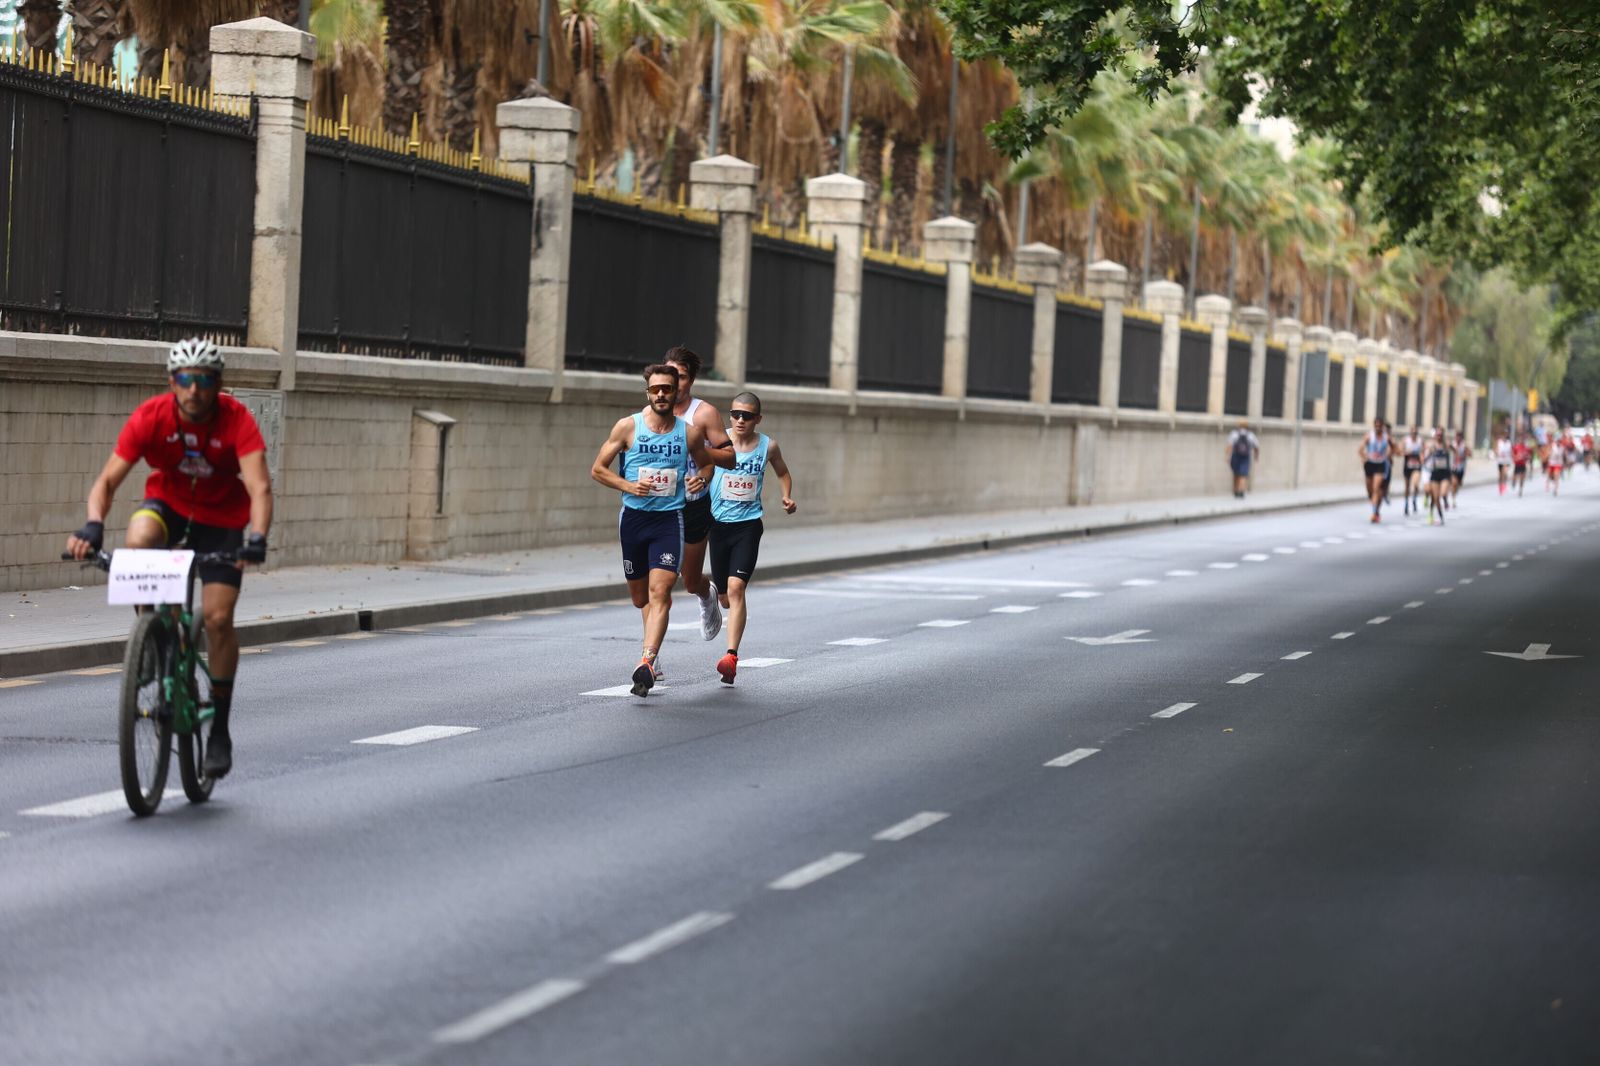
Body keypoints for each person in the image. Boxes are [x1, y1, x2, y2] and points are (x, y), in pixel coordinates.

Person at [64, 338, 272, 779]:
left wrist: (256, 537)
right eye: (185, 379)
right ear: (172, 382)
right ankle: (156, 637)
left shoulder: (236, 419)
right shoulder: (151, 417)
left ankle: (219, 730)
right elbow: (107, 482)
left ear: (217, 384)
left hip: (222, 520)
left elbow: (259, 487)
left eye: (204, 380)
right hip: (169, 507)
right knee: (139, 537)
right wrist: (92, 526)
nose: (194, 389)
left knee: (217, 619)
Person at [590, 364, 734, 697]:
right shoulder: (628, 427)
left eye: (666, 389)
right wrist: (629, 485)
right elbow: (598, 469)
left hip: (669, 521)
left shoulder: (689, 433)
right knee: (640, 598)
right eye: (655, 389)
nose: (661, 394)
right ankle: (650, 655)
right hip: (633, 521)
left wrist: (703, 478)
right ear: (648, 393)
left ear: (675, 391)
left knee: (661, 593)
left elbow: (707, 463)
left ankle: (648, 661)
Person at [707, 392, 796, 686]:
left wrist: (786, 496)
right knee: (724, 597)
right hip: (718, 525)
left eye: (747, 416)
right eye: (735, 414)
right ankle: (714, 595)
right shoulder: (718, 441)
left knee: (737, 588)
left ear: (758, 419)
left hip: (748, 526)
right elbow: (700, 466)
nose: (740, 420)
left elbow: (783, 472)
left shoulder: (768, 446)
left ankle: (731, 657)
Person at [661, 346, 731, 643]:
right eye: (670, 375)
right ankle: (651, 655)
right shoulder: (653, 413)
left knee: (689, 580)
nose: (675, 382)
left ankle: (706, 594)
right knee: (660, 583)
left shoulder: (703, 414)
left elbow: (730, 458)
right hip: (660, 506)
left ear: (691, 380)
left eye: (681, 376)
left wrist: (698, 450)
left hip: (693, 507)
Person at [1357, 417, 1391, 523]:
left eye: (1379, 426)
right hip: (1370, 464)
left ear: (1382, 426)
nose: (1377, 427)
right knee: (1370, 490)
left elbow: (1392, 448)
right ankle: (1374, 506)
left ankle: (1374, 513)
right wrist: (1364, 457)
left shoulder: (1386, 437)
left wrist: (1388, 454)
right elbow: (1360, 449)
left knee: (1376, 488)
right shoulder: (1369, 436)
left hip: (1380, 464)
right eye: (1376, 425)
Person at [1424, 429, 1453, 524]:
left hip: (1445, 473)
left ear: (1443, 436)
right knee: (1436, 498)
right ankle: (1441, 517)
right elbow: (1426, 458)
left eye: (1441, 435)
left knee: (1443, 493)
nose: (1439, 437)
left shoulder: (1446, 446)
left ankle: (1445, 500)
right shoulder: (1432, 447)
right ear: (1435, 436)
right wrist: (1424, 460)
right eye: (1438, 435)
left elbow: (1455, 450)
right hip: (1435, 473)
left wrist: (1452, 448)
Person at [1226, 421, 1259, 498]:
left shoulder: (1234, 434)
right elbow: (1256, 446)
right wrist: (1256, 456)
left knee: (1236, 473)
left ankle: (1236, 490)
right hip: (1245, 457)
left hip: (1235, 456)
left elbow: (1229, 446)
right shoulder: (1251, 435)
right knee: (1243, 474)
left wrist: (1227, 456)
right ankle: (1241, 490)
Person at [1400, 425, 1425, 515]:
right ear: (1410, 432)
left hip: (1417, 466)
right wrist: (1408, 452)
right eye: (1412, 432)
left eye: (1415, 432)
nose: (1414, 434)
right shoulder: (1406, 440)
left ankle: (1414, 499)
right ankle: (1406, 503)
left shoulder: (1420, 441)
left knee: (1415, 484)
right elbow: (1401, 451)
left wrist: (1422, 457)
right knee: (1407, 486)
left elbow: (1423, 451)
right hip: (1407, 466)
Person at [1448, 429, 1471, 508]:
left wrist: (1466, 453)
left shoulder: (1464, 445)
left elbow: (1470, 454)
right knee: (1454, 483)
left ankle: (1454, 494)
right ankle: (1453, 499)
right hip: (1453, 467)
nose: (1457, 438)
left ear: (1461, 437)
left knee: (1458, 484)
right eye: (1456, 436)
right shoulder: (1453, 444)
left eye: (1459, 436)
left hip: (1461, 468)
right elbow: (1449, 448)